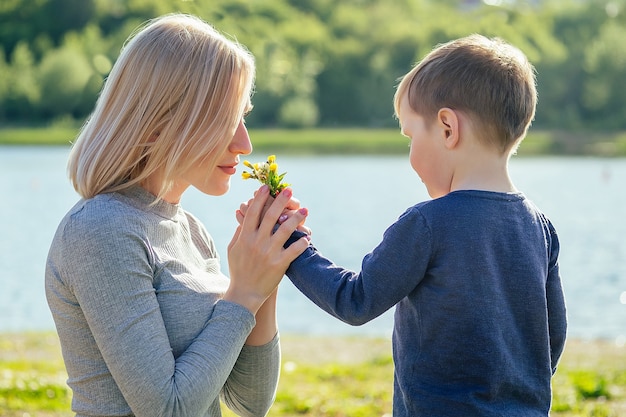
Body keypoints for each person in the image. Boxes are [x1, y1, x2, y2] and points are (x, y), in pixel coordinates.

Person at [240, 34, 567, 416]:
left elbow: (355, 300)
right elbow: (551, 341)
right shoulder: (541, 229)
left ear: (447, 128)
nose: (410, 154)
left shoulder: (428, 225)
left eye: (411, 136)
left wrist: (293, 246)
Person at [45, 13, 309, 417]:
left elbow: (249, 401)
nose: (245, 142)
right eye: (224, 119)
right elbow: (168, 409)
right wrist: (243, 293)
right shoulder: (100, 231)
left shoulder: (192, 232)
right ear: (156, 124)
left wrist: (263, 276)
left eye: (244, 116)